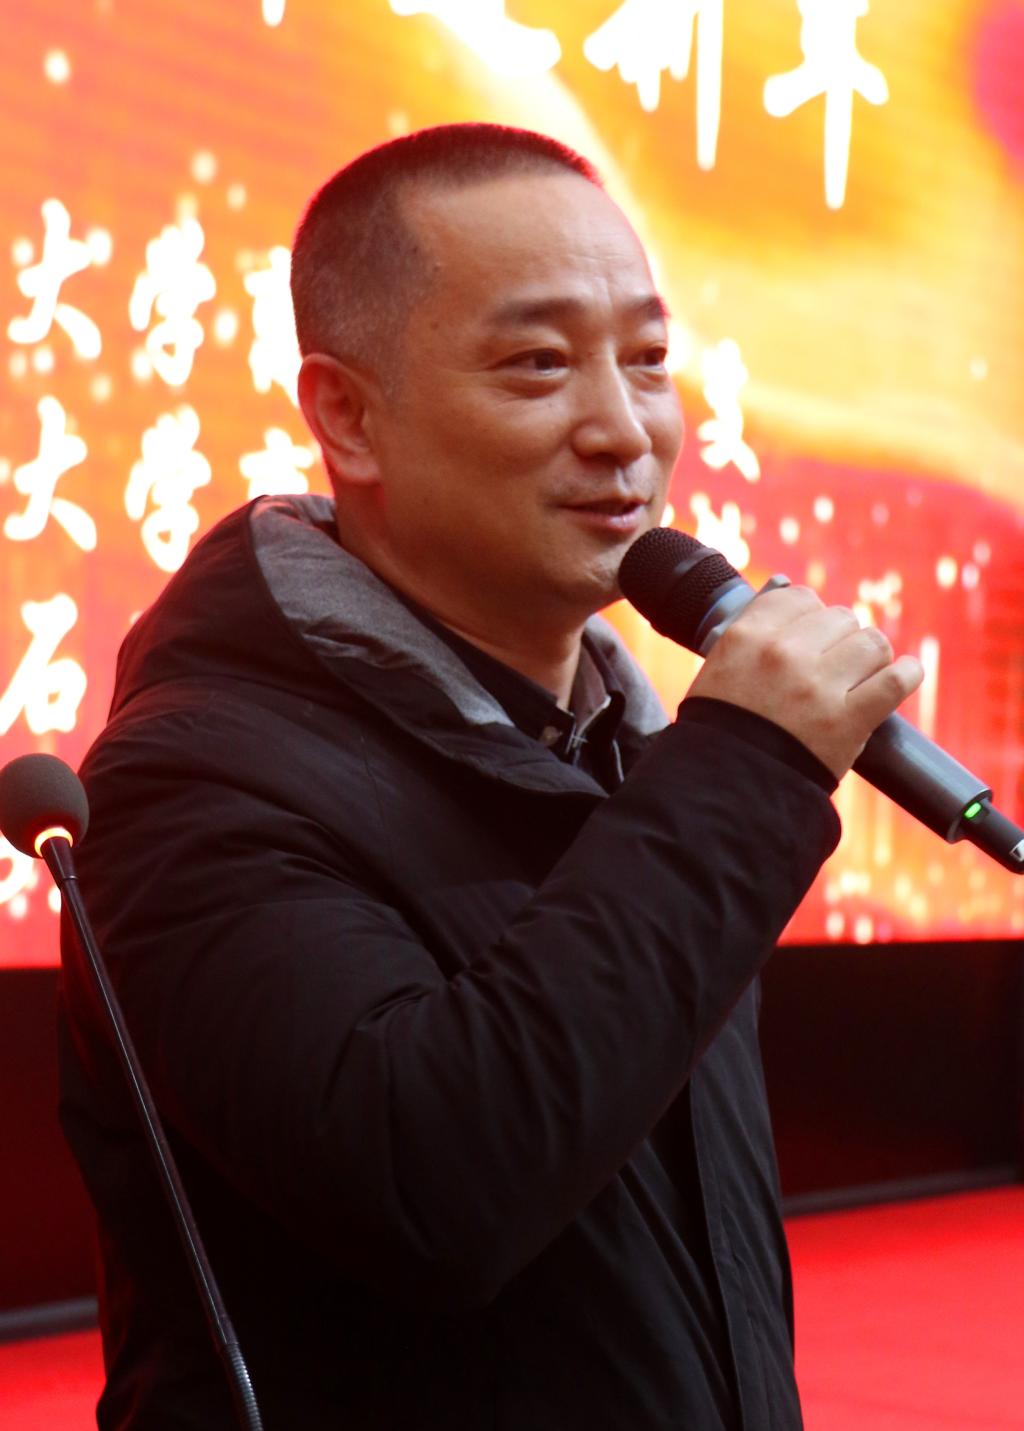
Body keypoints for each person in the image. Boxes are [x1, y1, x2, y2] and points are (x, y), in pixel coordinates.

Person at [59, 123, 922, 1430]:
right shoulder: (188, 782)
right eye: (538, 366)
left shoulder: (631, 752)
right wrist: (742, 768)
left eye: (648, 361)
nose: (624, 430)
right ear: (347, 416)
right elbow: (433, 1186)